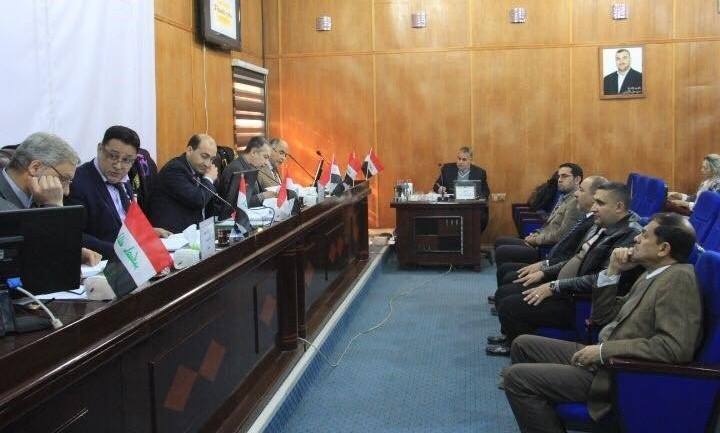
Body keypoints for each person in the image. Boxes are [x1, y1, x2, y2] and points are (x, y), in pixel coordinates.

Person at [503, 213, 701, 433]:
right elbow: (602, 316)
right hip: (604, 356)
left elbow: (674, 347)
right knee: (522, 344)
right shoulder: (652, 273)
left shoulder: (679, 280)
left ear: (663, 249)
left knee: (516, 378)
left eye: (645, 236)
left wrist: (603, 352)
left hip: (618, 374)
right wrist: (612, 272)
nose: (636, 238)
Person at [487, 182, 641, 356]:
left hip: (582, 301)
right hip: (567, 288)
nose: (594, 208)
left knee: (510, 305)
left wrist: (555, 286)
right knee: (507, 292)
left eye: (600, 203)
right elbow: (575, 259)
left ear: (619, 207)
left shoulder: (629, 236)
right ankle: (512, 340)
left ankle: (520, 349)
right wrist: (546, 273)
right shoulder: (606, 225)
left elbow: (602, 278)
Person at [66, 126, 170, 260]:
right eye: (113, 156)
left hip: (131, 258)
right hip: (103, 262)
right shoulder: (77, 182)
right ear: (100, 149)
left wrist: (148, 233)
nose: (118, 166)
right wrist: (121, 251)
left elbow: (123, 221)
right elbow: (74, 235)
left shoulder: (124, 179)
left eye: (127, 160)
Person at [1, 132, 101, 266]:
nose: (66, 191)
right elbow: (41, 262)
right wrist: (53, 208)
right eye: (64, 179)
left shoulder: (34, 197)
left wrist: (75, 252)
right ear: (35, 167)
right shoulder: (5, 209)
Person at [495, 176, 608, 289]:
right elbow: (550, 225)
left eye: (581, 190)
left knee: (506, 273)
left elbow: (565, 245)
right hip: (552, 260)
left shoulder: (592, 221)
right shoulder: (586, 216)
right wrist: (537, 234)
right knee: (505, 268)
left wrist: (545, 265)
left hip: (555, 265)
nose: (576, 194)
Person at [494, 163, 584, 267]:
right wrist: (536, 234)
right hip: (541, 241)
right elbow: (549, 225)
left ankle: (519, 273)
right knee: (500, 241)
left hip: (548, 249)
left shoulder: (575, 202)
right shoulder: (564, 198)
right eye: (559, 176)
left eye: (564, 176)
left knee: (502, 251)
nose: (559, 180)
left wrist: (535, 240)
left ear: (577, 179)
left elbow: (562, 235)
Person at [149, 134, 219, 233]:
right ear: (189, 150)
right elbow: (198, 200)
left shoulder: (199, 170)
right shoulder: (174, 169)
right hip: (171, 235)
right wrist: (209, 179)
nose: (208, 164)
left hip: (193, 233)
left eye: (212, 159)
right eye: (204, 156)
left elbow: (214, 200)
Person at [218, 136, 275, 218]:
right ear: (253, 153)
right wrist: (262, 196)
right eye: (265, 157)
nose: (266, 163)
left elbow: (254, 192)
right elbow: (235, 204)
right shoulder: (236, 169)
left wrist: (268, 193)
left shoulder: (251, 167)